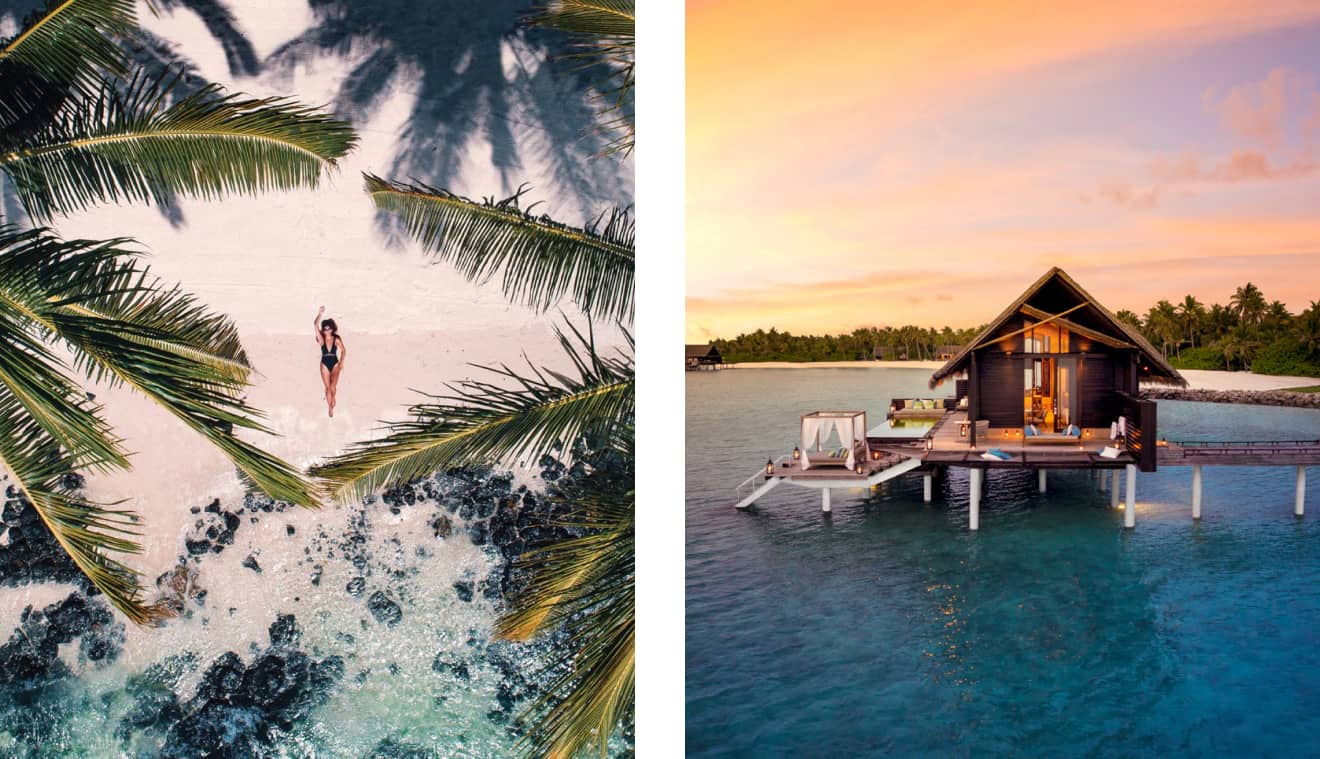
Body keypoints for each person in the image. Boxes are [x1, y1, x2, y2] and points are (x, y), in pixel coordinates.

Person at [314, 306, 346, 417]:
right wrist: (319, 314)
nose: (327, 331)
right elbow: (315, 325)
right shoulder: (321, 340)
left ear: (332, 329)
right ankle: (330, 408)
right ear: (323, 330)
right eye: (325, 329)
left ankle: (333, 397)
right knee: (327, 387)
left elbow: (343, 350)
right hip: (324, 363)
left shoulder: (336, 339)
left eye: (329, 329)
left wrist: (341, 362)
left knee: (333, 387)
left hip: (335, 363)